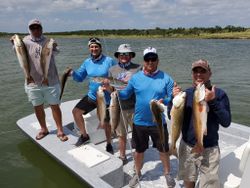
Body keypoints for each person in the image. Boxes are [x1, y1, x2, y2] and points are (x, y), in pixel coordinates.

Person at [117, 47, 176, 187]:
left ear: (157, 61)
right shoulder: (135, 78)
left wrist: (167, 100)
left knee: (163, 150)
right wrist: (114, 90)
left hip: (158, 122)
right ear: (143, 61)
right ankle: (137, 173)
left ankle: (167, 173)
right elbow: (125, 95)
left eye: (153, 59)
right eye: (147, 59)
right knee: (138, 151)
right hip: (139, 122)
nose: (150, 61)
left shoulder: (166, 78)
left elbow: (170, 98)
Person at [172, 59, 231, 188]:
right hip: (187, 146)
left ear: (210, 73)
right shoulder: (186, 94)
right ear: (192, 74)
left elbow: (226, 122)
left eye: (202, 71)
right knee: (188, 181)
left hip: (210, 149)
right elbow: (174, 118)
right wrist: (174, 100)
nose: (199, 74)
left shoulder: (219, 94)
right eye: (195, 71)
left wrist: (213, 101)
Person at [10, 19, 68, 141]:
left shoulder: (48, 41)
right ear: (29, 29)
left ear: (42, 29)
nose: (36, 30)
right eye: (33, 28)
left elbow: (57, 52)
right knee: (37, 106)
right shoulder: (24, 41)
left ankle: (60, 130)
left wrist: (55, 45)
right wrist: (14, 43)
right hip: (32, 82)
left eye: (38, 28)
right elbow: (18, 53)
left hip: (51, 80)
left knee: (55, 106)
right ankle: (43, 129)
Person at [66, 37, 116, 153]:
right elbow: (80, 78)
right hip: (92, 96)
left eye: (96, 46)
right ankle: (84, 135)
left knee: (106, 123)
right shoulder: (87, 62)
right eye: (91, 47)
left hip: (105, 99)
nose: (94, 48)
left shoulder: (109, 61)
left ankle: (109, 143)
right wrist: (73, 73)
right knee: (76, 112)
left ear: (100, 48)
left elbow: (117, 78)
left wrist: (109, 84)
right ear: (89, 48)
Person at [108, 44, 141, 164]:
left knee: (137, 133)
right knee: (121, 134)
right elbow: (111, 90)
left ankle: (138, 154)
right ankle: (122, 156)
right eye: (121, 54)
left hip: (135, 107)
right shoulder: (112, 70)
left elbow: (142, 86)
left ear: (131, 56)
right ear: (118, 56)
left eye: (127, 54)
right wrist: (107, 87)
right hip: (119, 107)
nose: (124, 56)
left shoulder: (138, 68)